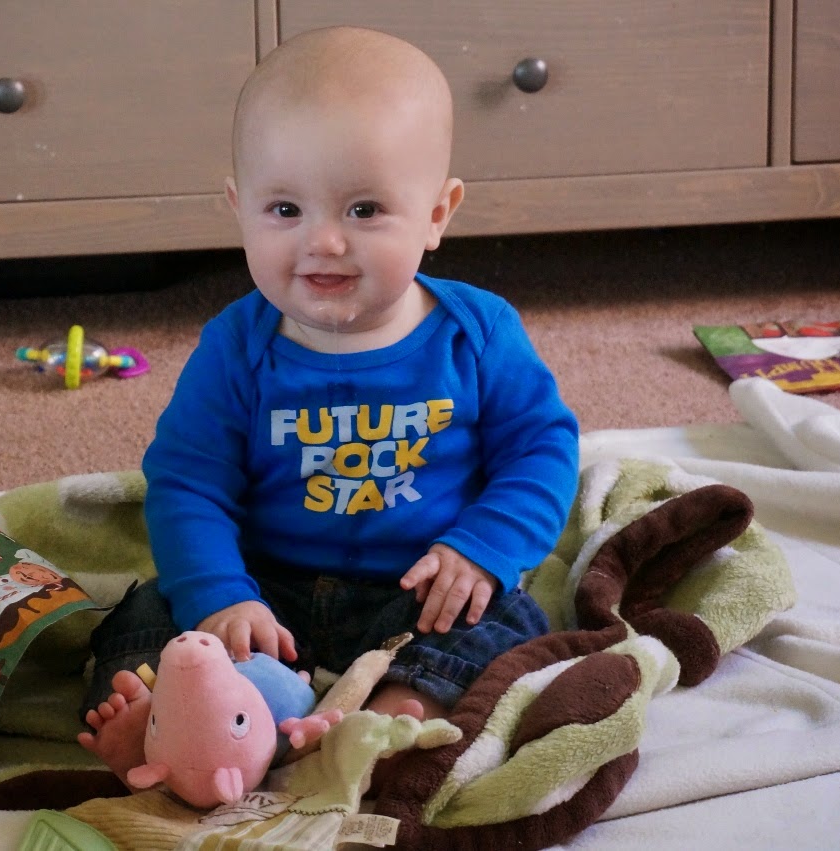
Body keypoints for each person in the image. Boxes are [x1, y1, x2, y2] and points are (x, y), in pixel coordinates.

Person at [78, 25, 580, 783]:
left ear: (438, 213)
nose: (325, 242)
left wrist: (482, 547)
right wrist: (220, 598)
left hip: (419, 589)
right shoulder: (236, 346)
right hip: (265, 589)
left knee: (506, 617)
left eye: (365, 209)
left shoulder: (477, 333)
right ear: (239, 206)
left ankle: (393, 710)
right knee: (151, 613)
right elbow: (188, 485)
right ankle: (172, 721)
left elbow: (541, 449)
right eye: (285, 210)